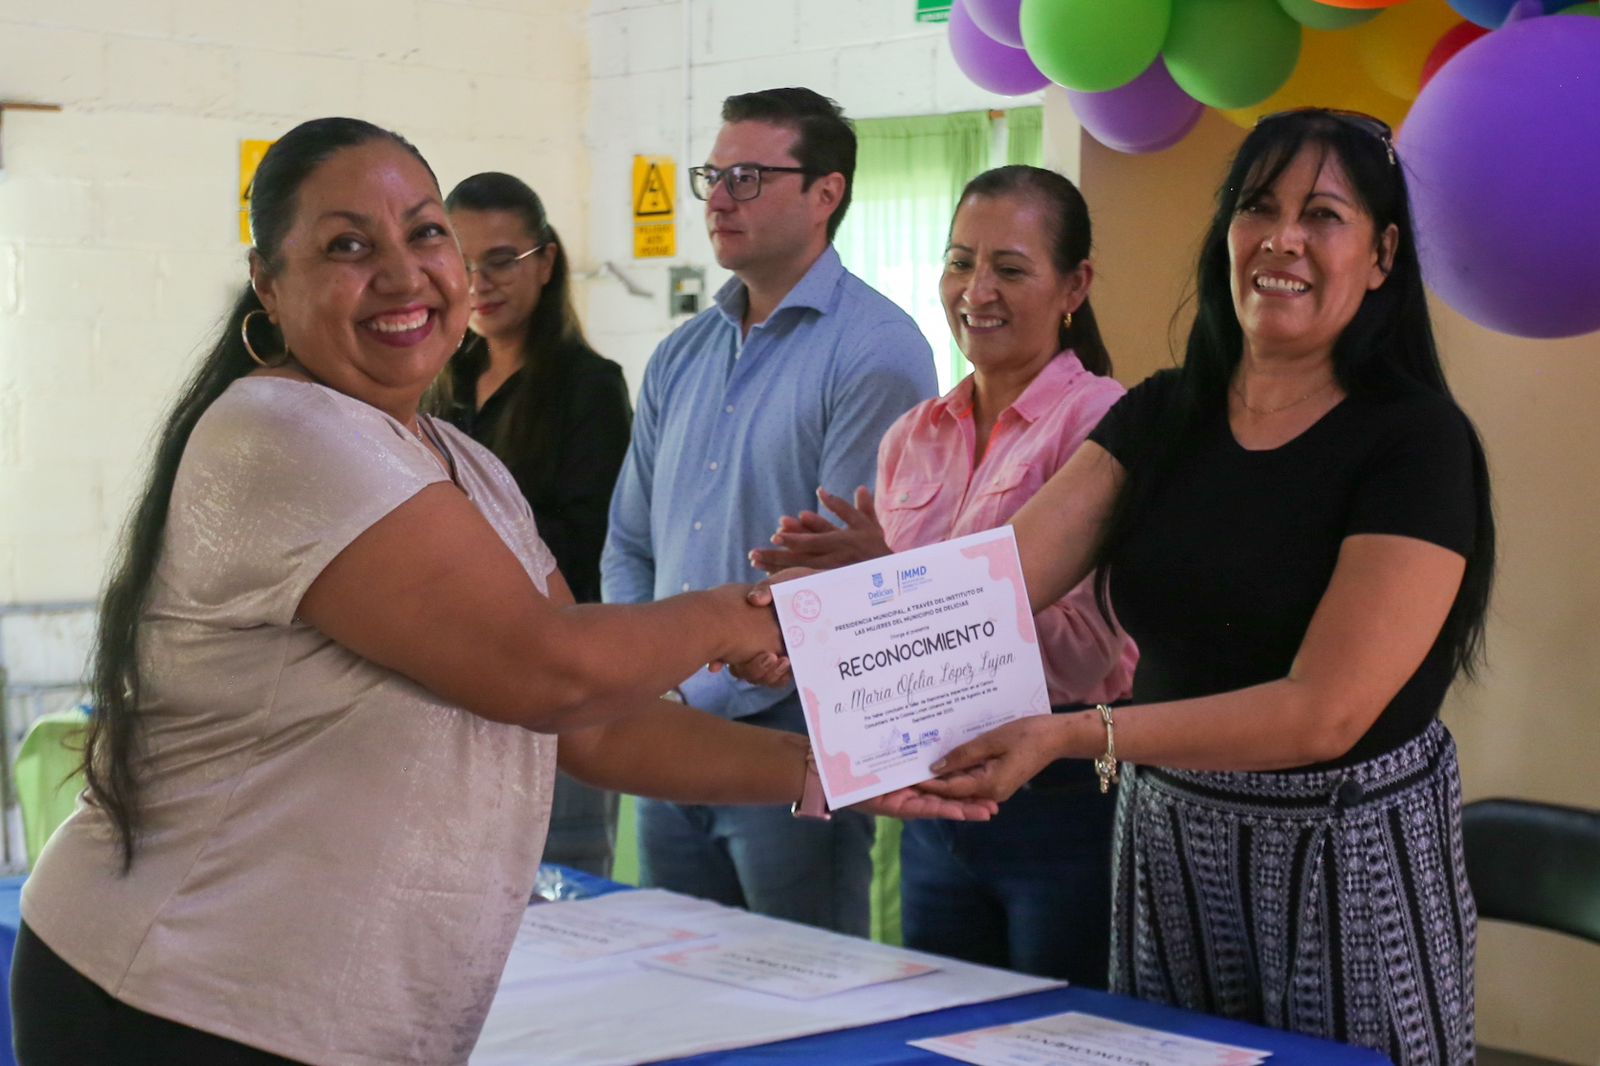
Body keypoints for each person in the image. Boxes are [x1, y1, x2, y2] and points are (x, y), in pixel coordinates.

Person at [11, 117, 986, 1066]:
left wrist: (830, 769)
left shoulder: (464, 463)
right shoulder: (280, 428)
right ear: (268, 286)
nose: (402, 273)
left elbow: (594, 724)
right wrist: (731, 618)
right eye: (347, 245)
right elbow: (547, 671)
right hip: (183, 1000)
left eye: (425, 231)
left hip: (329, 1014)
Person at [922, 110, 1494, 1064]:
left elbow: (1323, 714)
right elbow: (989, 583)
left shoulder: (1416, 442)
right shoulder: (1164, 412)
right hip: (1172, 844)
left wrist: (1077, 732)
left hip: (1347, 859)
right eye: (1257, 207)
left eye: (1323, 215)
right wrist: (795, 630)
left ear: (1383, 253)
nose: (1282, 239)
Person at [749, 165, 1135, 983]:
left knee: (1053, 1036)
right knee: (935, 1032)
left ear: (1076, 287)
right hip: (929, 800)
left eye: (1011, 268)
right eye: (960, 262)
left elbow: (1090, 650)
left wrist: (890, 579)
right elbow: (881, 644)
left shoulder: (1106, 426)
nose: (977, 290)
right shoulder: (912, 436)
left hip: (1060, 802)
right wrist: (795, 633)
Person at [601, 87, 938, 937]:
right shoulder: (681, 353)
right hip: (668, 725)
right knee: (678, 981)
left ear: (826, 194)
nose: (719, 197)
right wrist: (652, 677)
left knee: (801, 991)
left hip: (795, 725)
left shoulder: (876, 350)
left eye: (747, 177)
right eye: (713, 175)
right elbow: (630, 543)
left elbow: (843, 570)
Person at [437, 171, 631, 877]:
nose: (480, 281)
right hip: (455, 679)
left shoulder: (587, 386)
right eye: (462, 262)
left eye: (501, 260)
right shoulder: (441, 379)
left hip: (556, 676)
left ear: (545, 262)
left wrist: (456, 534)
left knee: (561, 884)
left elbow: (588, 545)